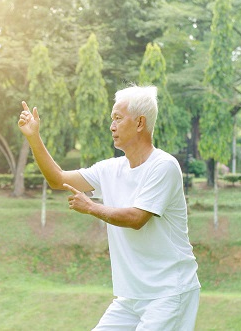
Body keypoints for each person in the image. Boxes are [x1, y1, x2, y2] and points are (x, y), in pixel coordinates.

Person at [18, 85, 200, 330]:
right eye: (111, 119)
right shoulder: (110, 169)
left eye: (117, 118)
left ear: (139, 123)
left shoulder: (164, 166)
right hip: (131, 298)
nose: (111, 126)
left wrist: (92, 207)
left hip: (168, 293)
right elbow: (57, 178)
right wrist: (33, 137)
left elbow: (136, 218)